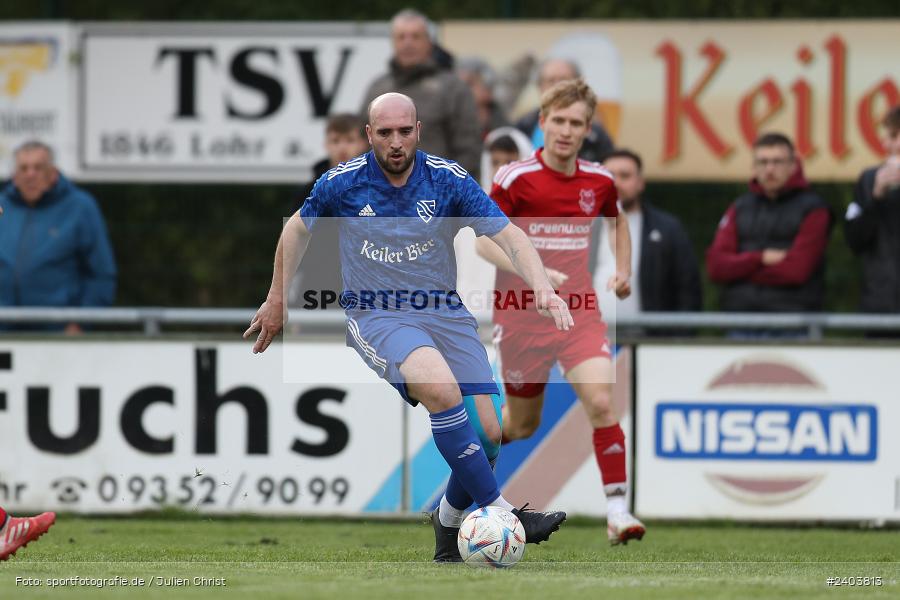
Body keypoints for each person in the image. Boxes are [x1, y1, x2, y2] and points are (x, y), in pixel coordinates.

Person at [244, 93, 570, 563]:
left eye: (403, 132)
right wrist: (277, 299)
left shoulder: (448, 179)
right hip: (377, 315)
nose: (395, 142)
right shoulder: (342, 183)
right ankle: (504, 514)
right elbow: (296, 229)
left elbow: (509, 234)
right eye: (384, 133)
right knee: (441, 389)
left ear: (418, 130)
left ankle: (448, 522)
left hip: (446, 313)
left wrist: (540, 286)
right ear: (368, 135)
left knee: (490, 434)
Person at [477, 79, 646, 546]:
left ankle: (617, 511)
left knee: (600, 400)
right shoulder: (515, 178)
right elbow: (483, 241)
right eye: (559, 121)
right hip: (520, 316)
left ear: (588, 129)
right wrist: (535, 273)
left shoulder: (600, 181)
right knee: (519, 425)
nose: (567, 131)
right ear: (542, 124)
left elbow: (618, 224)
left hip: (579, 312)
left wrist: (624, 270)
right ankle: (468, 467)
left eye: (577, 123)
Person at [706, 133, 832, 317]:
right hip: (740, 321)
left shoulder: (814, 209)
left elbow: (797, 271)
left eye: (777, 162)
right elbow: (716, 267)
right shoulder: (739, 207)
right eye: (763, 162)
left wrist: (739, 273)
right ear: (754, 167)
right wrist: (759, 258)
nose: (770, 169)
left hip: (793, 322)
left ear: (793, 165)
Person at [0, 140, 116, 332]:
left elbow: (101, 274)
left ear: (53, 172)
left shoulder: (80, 207)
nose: (30, 175)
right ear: (14, 175)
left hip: (56, 332)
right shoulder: (3, 206)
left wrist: (80, 323)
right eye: (24, 168)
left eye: (38, 168)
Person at [360, 9, 481, 179]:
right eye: (402, 37)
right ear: (393, 42)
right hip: (382, 196)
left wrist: (451, 193)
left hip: (438, 195)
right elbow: (361, 145)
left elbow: (469, 150)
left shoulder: (454, 89)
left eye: (415, 36)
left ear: (429, 42)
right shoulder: (377, 89)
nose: (408, 43)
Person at [591, 149, 702, 329]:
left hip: (647, 344)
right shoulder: (581, 226)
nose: (616, 183)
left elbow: (688, 289)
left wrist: (677, 339)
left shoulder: (667, 229)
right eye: (609, 176)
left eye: (625, 176)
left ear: (641, 183)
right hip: (585, 342)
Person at [287, 114, 369, 309]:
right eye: (335, 141)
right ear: (326, 144)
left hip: (366, 286)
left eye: (349, 140)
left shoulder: (380, 187)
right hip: (315, 284)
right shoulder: (309, 190)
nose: (342, 147)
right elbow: (293, 239)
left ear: (365, 143)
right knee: (314, 337)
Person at [845, 105, 900, 317]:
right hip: (880, 304)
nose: (887, 144)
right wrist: (875, 197)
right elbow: (854, 241)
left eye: (894, 136)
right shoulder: (868, 179)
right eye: (886, 137)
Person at [514, 58, 614, 163]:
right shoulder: (523, 126)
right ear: (539, 86)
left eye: (563, 80)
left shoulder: (596, 135)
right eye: (551, 80)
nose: (557, 86)